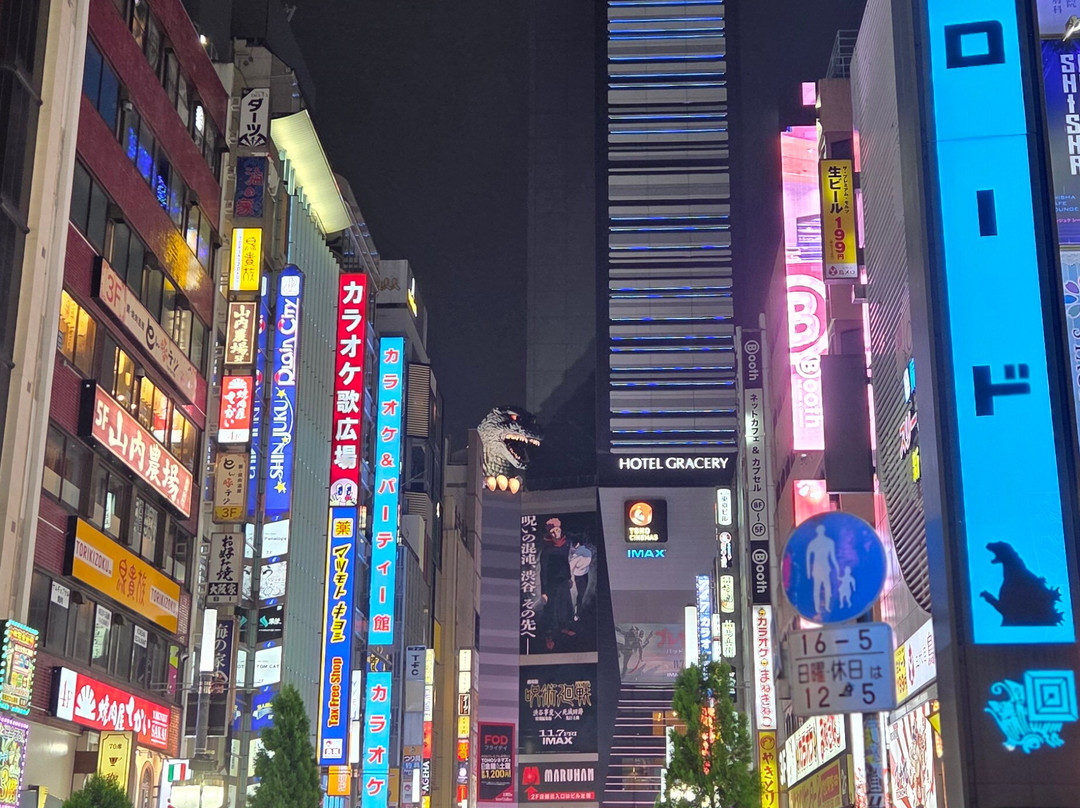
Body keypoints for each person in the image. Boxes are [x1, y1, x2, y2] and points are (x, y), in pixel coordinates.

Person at [538, 517, 575, 649]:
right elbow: (543, 571)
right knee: (550, 610)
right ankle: (549, 636)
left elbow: (565, 563)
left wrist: (569, 577)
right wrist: (544, 592)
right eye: (553, 531)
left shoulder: (565, 545)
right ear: (549, 533)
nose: (556, 533)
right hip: (551, 584)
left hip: (563, 581)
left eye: (557, 530)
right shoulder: (547, 551)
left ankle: (564, 627)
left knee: (565, 605)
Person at [806, 524, 840, 615]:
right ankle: (820, 608)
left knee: (823, 588)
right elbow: (808, 558)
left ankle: (824, 607)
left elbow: (832, 557)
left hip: (822, 568)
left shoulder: (817, 542)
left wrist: (837, 568)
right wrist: (808, 572)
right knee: (822, 588)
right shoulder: (820, 542)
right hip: (820, 568)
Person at [569, 537, 593, 620]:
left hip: (579, 577)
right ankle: (578, 612)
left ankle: (577, 613)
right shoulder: (588, 552)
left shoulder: (576, 555)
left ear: (577, 544)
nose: (571, 547)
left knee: (580, 595)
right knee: (582, 594)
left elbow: (570, 568)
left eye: (572, 545)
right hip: (585, 575)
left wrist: (570, 579)